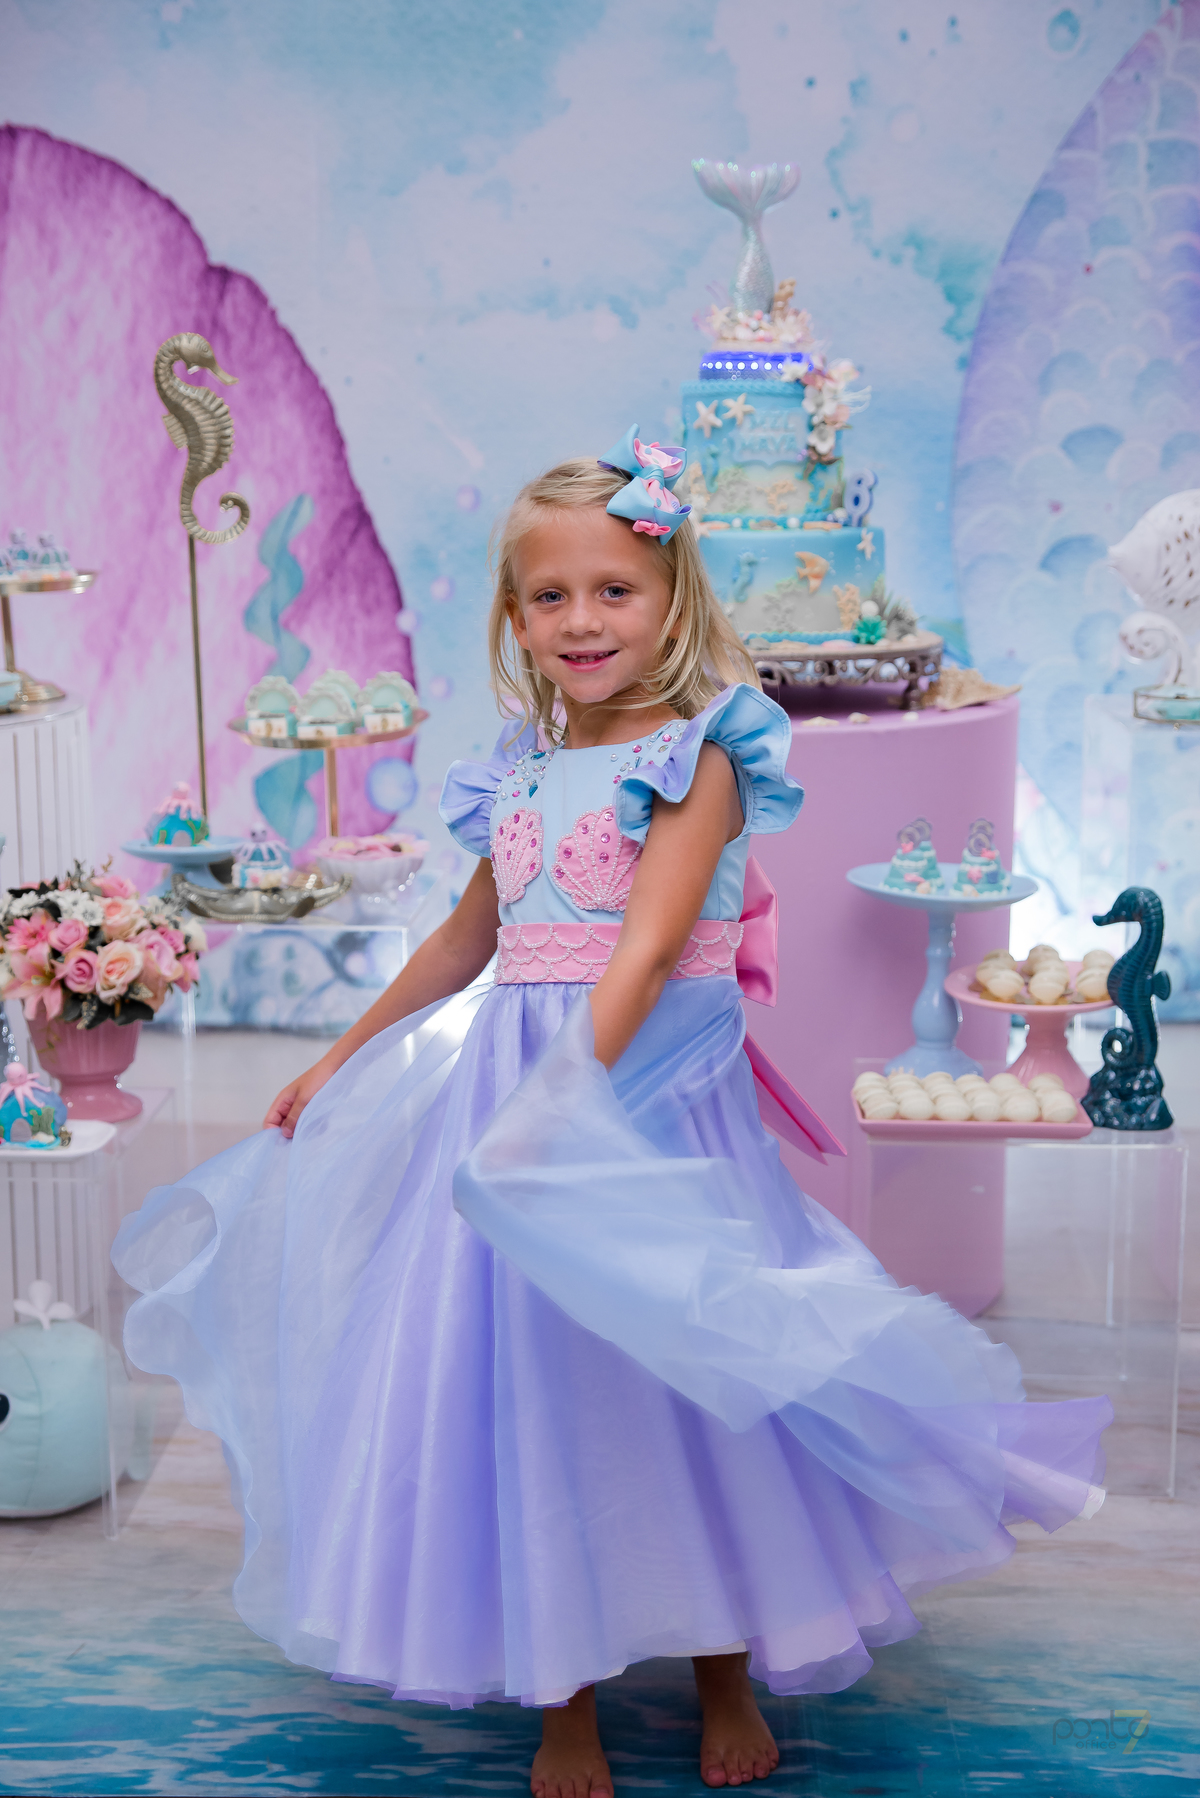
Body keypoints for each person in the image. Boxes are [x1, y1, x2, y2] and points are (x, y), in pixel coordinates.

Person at [114, 431, 1112, 1798]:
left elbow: (643, 954)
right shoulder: (518, 768)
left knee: (687, 1371)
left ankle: (723, 1667)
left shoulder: (698, 758)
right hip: (512, 1102)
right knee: (537, 1379)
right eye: (551, 596)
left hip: (642, 1101)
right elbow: (467, 938)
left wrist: (558, 1106)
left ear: (670, 598)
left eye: (614, 591)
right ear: (514, 617)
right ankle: (562, 1692)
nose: (583, 620)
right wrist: (344, 1054)